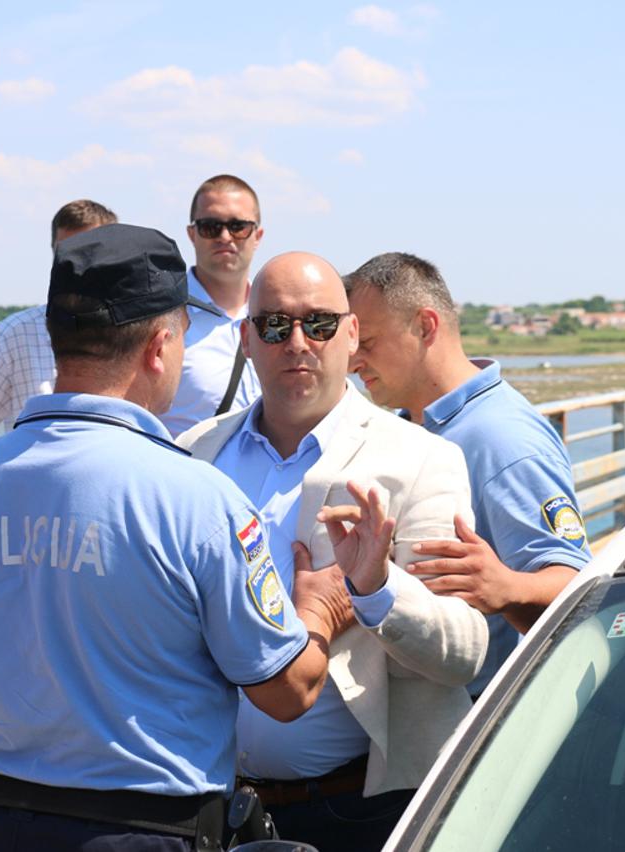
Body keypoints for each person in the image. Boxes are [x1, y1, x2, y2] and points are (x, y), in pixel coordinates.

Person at [0, 225, 358, 852]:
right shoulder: (198, 497)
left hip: (2, 824)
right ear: (160, 346)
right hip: (151, 831)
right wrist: (318, 611)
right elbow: (286, 691)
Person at [179, 251, 488, 852]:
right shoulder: (196, 453)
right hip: (213, 807)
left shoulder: (420, 459)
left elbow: (465, 654)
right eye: (275, 325)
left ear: (350, 334)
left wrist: (377, 590)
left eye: (319, 324)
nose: (298, 342)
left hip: (360, 811)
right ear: (246, 339)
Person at [344, 252, 592, 697]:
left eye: (368, 342)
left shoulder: (500, 437)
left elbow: (579, 585)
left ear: (425, 326)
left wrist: (508, 587)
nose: (353, 362)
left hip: (476, 709)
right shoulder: (411, 426)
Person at [0, 199, 118, 438]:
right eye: (68, 255)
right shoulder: (14, 336)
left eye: (92, 253)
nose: (79, 267)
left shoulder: (144, 334)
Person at [160, 174, 265, 437]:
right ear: (192, 234)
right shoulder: (159, 316)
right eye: (211, 226)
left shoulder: (280, 318)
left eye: (238, 226)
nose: (225, 236)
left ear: (257, 235)